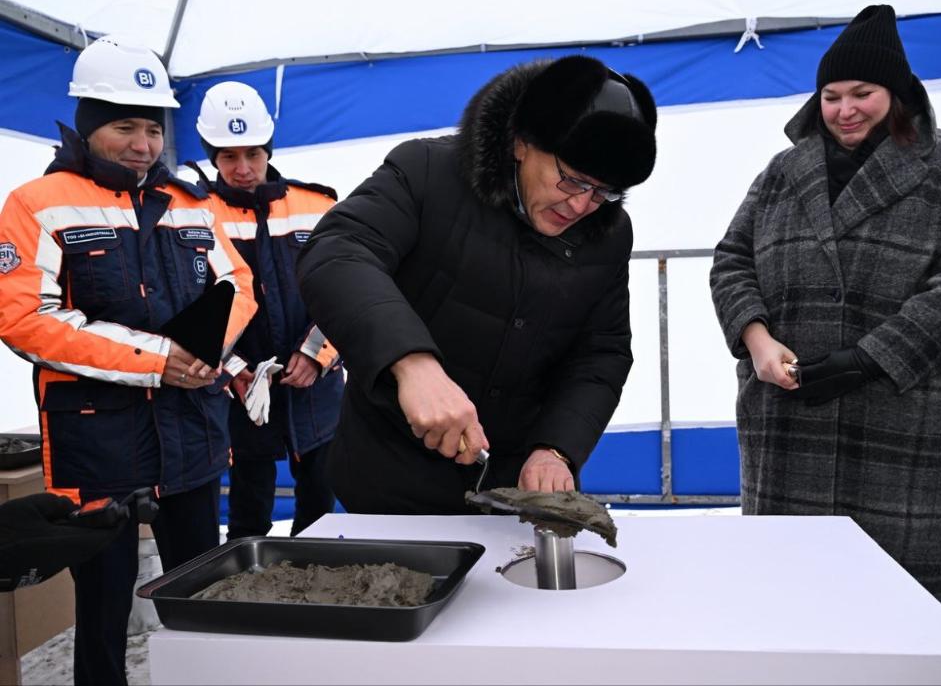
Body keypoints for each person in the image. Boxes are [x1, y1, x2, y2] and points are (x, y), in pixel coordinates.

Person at [709, 5, 941, 608]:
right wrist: (757, 338)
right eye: (831, 95)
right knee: (788, 599)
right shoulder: (783, 171)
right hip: (789, 416)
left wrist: (870, 359)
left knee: (892, 610)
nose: (845, 109)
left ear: (897, 94)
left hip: (901, 418)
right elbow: (731, 258)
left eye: (863, 93)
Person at [0, 35, 257, 684]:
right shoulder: (36, 202)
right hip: (99, 449)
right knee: (105, 609)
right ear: (88, 126)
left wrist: (211, 352)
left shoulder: (190, 202)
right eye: (124, 127)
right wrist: (154, 361)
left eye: (152, 127)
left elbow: (239, 288)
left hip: (193, 438)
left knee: (204, 597)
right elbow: (22, 317)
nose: (143, 144)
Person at [298, 55, 657, 514]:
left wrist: (556, 447)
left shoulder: (608, 231)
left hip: (513, 490)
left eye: (604, 191)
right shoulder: (426, 171)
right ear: (522, 143)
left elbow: (602, 352)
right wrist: (411, 364)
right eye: (571, 180)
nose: (582, 205)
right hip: (389, 480)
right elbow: (338, 251)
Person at [190, 81, 343, 538]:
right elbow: (188, 303)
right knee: (247, 506)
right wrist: (230, 367)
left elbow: (348, 289)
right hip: (237, 392)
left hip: (316, 390)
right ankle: (248, 596)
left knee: (320, 499)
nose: (243, 168)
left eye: (253, 154)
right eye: (228, 156)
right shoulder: (192, 212)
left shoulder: (319, 205)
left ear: (269, 149)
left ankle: (316, 592)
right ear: (211, 155)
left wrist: (317, 353)